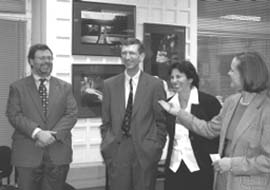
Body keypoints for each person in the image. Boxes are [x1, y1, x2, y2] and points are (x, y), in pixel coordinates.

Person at [159, 52, 270, 190]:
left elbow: (267, 160)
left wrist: (231, 164)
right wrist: (179, 113)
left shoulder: (266, 110)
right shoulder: (231, 102)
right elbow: (209, 129)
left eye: (232, 70)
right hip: (223, 182)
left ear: (245, 75)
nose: (228, 73)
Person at [6, 44, 78, 190]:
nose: (47, 61)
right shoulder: (17, 87)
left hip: (58, 153)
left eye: (49, 58)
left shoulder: (65, 87)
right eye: (41, 58)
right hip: (27, 154)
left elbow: (71, 114)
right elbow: (14, 115)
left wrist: (52, 136)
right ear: (31, 61)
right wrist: (38, 133)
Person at [100, 38, 167, 190]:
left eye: (132, 53)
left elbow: (161, 121)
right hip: (117, 152)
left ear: (141, 56)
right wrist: (107, 145)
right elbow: (106, 121)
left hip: (145, 153)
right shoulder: (109, 85)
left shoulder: (155, 85)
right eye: (124, 53)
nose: (127, 57)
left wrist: (155, 148)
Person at [163, 61, 221, 190]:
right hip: (174, 167)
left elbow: (218, 135)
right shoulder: (169, 105)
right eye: (172, 77)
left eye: (178, 76)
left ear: (190, 78)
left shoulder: (209, 102)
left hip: (202, 167)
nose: (174, 80)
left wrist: (216, 160)